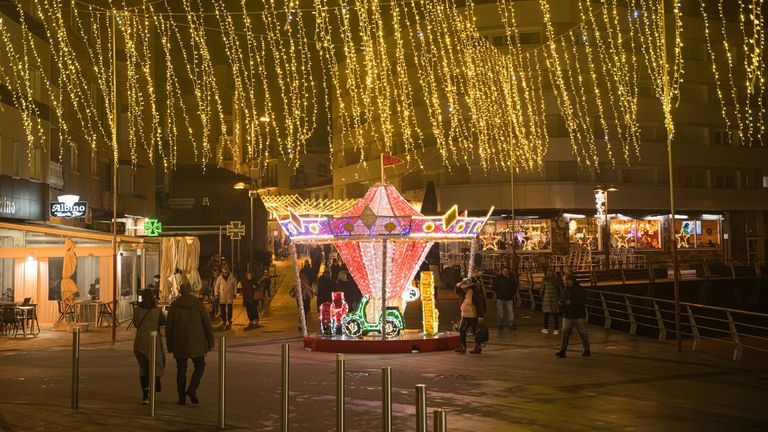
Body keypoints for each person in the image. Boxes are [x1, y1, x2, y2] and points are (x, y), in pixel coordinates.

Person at [166, 282, 215, 405]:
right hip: (196, 340)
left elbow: (169, 327)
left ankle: (181, 397)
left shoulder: (174, 305)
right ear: (190, 291)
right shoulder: (198, 304)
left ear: (181, 291)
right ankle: (192, 388)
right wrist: (210, 341)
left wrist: (170, 345)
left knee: (181, 369)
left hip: (179, 341)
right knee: (200, 365)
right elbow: (207, 324)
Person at [133, 288, 166, 405]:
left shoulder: (137, 311)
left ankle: (145, 394)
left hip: (140, 343)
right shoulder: (156, 311)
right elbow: (163, 322)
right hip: (153, 343)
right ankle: (152, 390)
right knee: (154, 367)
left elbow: (136, 323)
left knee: (143, 369)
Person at [556, 269, 591, 358]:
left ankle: (587, 349)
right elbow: (560, 298)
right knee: (565, 332)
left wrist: (572, 302)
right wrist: (560, 302)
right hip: (568, 314)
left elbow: (583, 300)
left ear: (569, 281)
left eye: (564, 280)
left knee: (582, 332)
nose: (563, 282)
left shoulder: (579, 289)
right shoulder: (564, 290)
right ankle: (563, 350)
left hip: (578, 314)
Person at [454, 279, 486, 354]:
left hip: (472, 315)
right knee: (462, 330)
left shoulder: (475, 292)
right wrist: (461, 283)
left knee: (476, 332)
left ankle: (478, 347)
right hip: (464, 315)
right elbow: (456, 289)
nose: (463, 288)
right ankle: (463, 346)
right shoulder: (463, 292)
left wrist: (480, 315)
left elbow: (479, 304)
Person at [540, 268, 562, 335]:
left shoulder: (545, 280)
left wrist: (541, 297)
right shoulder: (557, 280)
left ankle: (546, 329)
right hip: (555, 299)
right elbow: (560, 289)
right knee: (556, 315)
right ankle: (556, 330)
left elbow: (542, 290)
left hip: (547, 299)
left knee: (546, 315)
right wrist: (559, 297)